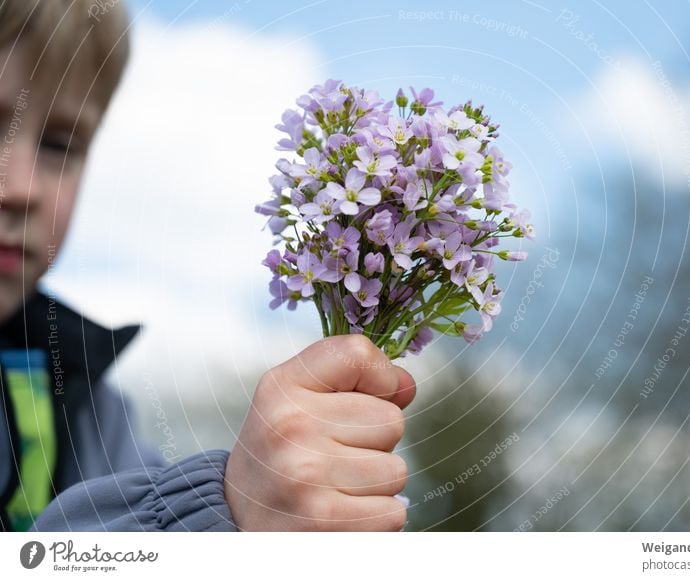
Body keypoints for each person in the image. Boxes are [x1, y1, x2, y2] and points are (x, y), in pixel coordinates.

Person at [0, 0, 415, 532]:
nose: (22, 188)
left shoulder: (90, 409)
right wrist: (227, 511)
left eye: (60, 145)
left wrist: (252, 515)